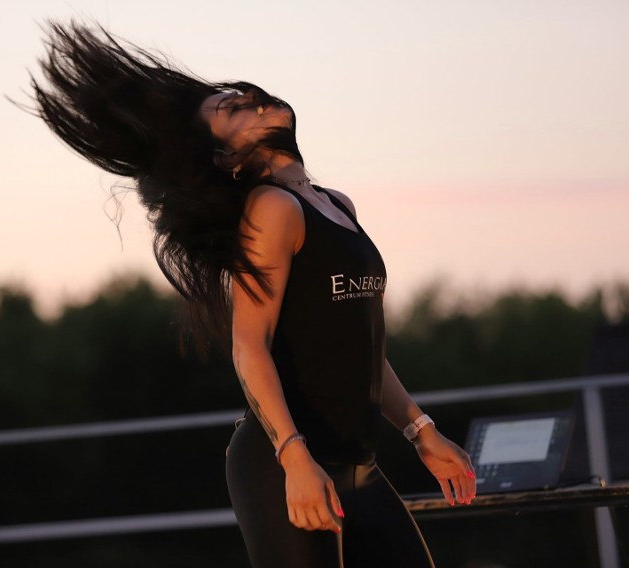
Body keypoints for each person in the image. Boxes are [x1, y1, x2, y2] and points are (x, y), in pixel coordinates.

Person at [30, 22, 477, 568]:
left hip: (358, 467)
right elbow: (249, 346)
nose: (248, 99)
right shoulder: (271, 210)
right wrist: (293, 459)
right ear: (226, 158)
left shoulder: (335, 205)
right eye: (231, 110)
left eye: (241, 95)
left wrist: (420, 430)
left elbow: (360, 346)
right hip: (282, 461)